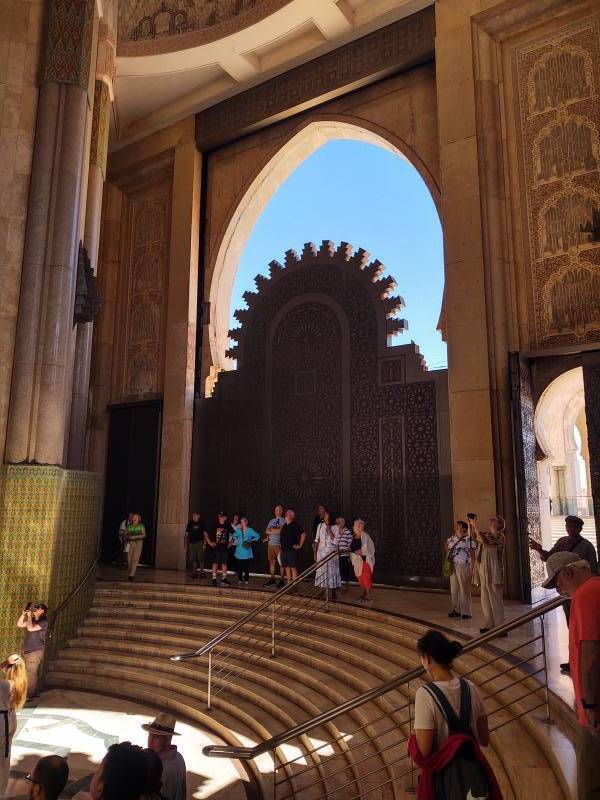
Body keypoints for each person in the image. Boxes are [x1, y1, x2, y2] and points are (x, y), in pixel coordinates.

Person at [408, 630, 501, 800]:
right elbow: (484, 739)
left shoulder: (425, 694)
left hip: (443, 782)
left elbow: (424, 751)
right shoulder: (471, 688)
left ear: (427, 659)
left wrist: (413, 738)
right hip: (471, 774)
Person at [543, 552, 600, 800]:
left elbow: (589, 653)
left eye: (558, 584)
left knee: (590, 784)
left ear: (568, 572)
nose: (559, 590)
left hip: (594, 706)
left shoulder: (585, 595)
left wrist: (589, 704)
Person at [471, 514, 506, 634]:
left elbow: (486, 541)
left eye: (493, 520)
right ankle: (489, 624)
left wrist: (475, 526)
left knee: (495, 598)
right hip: (484, 570)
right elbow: (476, 537)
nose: (490, 521)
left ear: (499, 524)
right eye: (490, 519)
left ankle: (501, 627)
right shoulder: (486, 534)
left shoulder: (500, 536)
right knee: (485, 598)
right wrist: (471, 524)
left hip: (495, 570)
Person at [1, 654, 27, 799]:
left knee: (2, 759)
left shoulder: (5, 685)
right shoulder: (18, 683)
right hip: (9, 719)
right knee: (4, 758)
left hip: (2, 721)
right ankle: (2, 791)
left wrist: (4, 662)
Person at [143, 714, 186, 800]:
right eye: (150, 735)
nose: (151, 741)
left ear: (167, 740)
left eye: (157, 737)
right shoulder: (179, 757)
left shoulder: (164, 768)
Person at [446, 521, 476, 620]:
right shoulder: (452, 538)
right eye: (457, 525)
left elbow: (472, 552)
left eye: (459, 526)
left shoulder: (468, 539)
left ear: (464, 529)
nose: (457, 527)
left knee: (464, 588)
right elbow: (447, 547)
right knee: (454, 588)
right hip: (453, 565)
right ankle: (456, 609)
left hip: (463, 565)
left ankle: (466, 611)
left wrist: (473, 566)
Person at [17, 603, 48, 699]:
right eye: (34, 608)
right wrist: (23, 615)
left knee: (30, 672)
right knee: (29, 672)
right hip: (27, 650)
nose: (34, 609)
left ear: (42, 611)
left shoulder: (43, 622)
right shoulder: (32, 620)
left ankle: (29, 695)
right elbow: (19, 624)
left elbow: (30, 628)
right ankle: (35, 692)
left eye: (37, 608)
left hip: (35, 651)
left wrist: (30, 616)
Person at [313, 510, 341, 600]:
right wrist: (314, 552)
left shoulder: (335, 527)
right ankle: (322, 590)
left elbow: (336, 541)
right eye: (324, 515)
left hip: (331, 553)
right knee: (321, 570)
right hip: (321, 552)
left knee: (332, 572)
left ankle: (333, 591)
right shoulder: (320, 525)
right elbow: (317, 540)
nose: (324, 516)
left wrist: (328, 527)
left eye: (326, 515)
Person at [204, 512, 234, 587]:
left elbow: (235, 534)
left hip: (224, 548)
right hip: (216, 548)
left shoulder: (227, 525)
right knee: (215, 563)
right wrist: (209, 542)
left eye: (222, 516)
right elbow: (205, 532)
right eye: (219, 516)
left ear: (225, 518)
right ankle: (214, 578)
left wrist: (231, 542)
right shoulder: (214, 524)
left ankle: (224, 579)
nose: (220, 518)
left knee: (224, 563)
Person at [350, 519, 375, 604]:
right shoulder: (353, 536)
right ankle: (364, 594)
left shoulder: (365, 536)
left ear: (360, 527)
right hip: (357, 561)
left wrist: (361, 551)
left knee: (366, 578)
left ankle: (369, 596)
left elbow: (371, 548)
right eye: (354, 525)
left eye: (355, 525)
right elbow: (351, 547)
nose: (354, 527)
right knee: (360, 578)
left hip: (365, 561)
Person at [279, 510, 306, 588]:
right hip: (284, 550)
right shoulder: (284, 525)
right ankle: (289, 583)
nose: (286, 515)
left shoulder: (295, 525)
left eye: (288, 514)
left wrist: (300, 545)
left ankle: (294, 585)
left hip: (291, 550)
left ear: (292, 516)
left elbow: (303, 533)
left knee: (293, 567)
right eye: (286, 513)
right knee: (287, 566)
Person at [232, 517, 260, 585]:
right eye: (241, 522)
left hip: (247, 552)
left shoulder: (250, 530)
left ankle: (246, 579)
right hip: (239, 551)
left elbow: (258, 536)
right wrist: (236, 540)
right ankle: (240, 579)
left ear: (246, 522)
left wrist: (251, 540)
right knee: (239, 567)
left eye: (243, 522)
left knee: (246, 567)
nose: (242, 523)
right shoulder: (239, 530)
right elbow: (233, 535)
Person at [264, 504, 286, 587]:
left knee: (281, 563)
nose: (278, 511)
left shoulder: (284, 521)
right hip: (270, 544)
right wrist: (274, 531)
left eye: (279, 510)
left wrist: (271, 530)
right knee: (272, 563)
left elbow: (281, 531)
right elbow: (266, 531)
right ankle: (272, 579)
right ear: (274, 511)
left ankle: (282, 580)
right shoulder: (271, 521)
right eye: (276, 510)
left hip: (279, 545)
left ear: (282, 511)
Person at [125, 513, 146, 581]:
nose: (135, 518)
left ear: (138, 519)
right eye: (134, 517)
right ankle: (131, 571)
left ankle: (132, 574)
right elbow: (125, 535)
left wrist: (135, 537)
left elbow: (144, 535)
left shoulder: (141, 526)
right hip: (129, 543)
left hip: (138, 543)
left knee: (135, 559)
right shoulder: (129, 526)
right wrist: (127, 537)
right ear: (132, 518)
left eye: (136, 517)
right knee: (129, 559)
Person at [184, 512, 206, 579]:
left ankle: (202, 573)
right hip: (191, 543)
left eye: (195, 516)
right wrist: (185, 544)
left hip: (200, 542)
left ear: (198, 516)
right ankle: (194, 573)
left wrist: (205, 543)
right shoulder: (190, 523)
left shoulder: (202, 523)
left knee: (200, 557)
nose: (194, 517)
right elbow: (186, 534)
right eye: (193, 516)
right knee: (193, 558)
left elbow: (205, 534)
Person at [336, 515, 353, 585]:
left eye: (343, 522)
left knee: (345, 570)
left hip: (344, 554)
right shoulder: (335, 531)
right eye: (340, 522)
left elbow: (350, 544)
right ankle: (338, 583)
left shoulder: (347, 532)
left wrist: (347, 552)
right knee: (337, 570)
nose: (341, 523)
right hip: (335, 555)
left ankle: (346, 584)